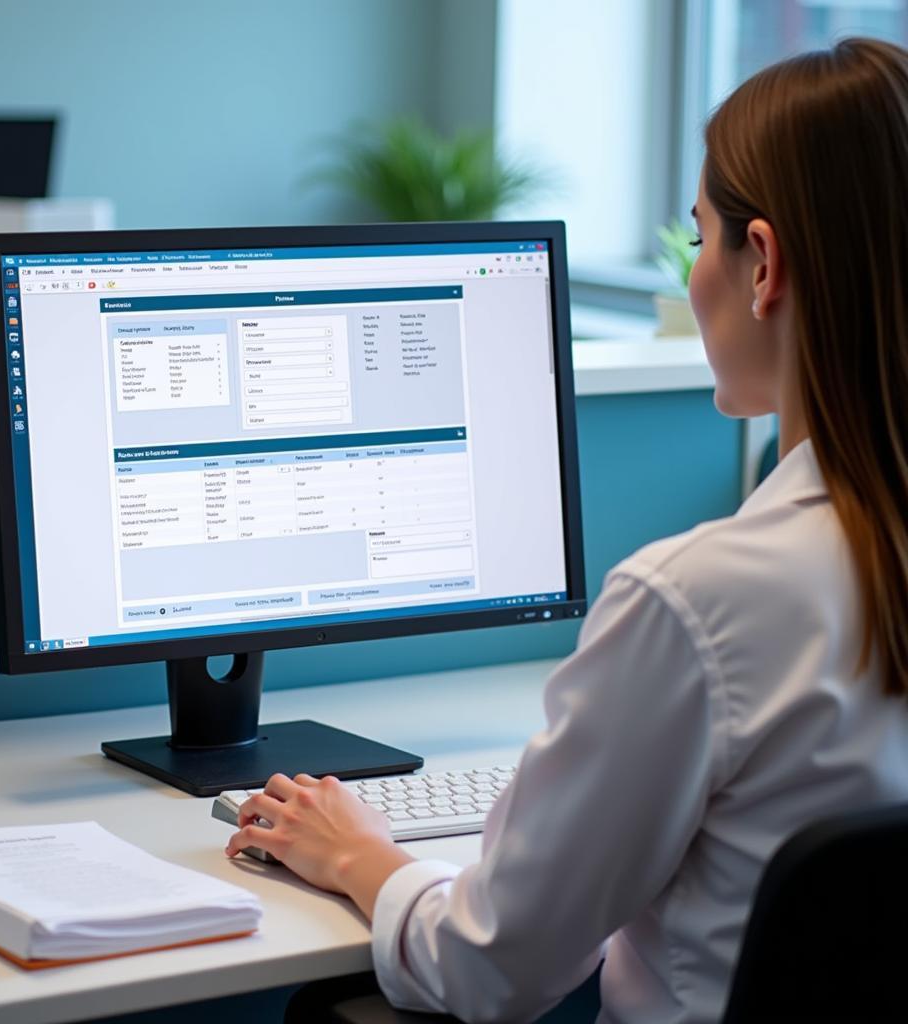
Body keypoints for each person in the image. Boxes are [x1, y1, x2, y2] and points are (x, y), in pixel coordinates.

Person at [226, 37, 908, 1024]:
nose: (690, 281)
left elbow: (491, 969)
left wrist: (357, 854)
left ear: (761, 263)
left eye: (695, 241)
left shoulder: (697, 600)